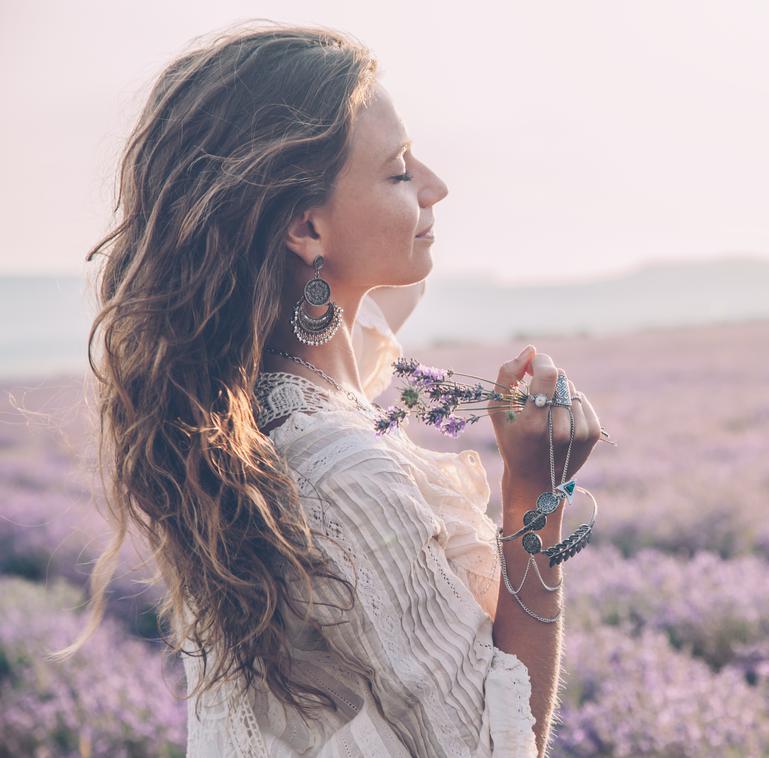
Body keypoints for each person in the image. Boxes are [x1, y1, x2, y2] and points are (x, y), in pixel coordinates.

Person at [61, 20, 602, 757]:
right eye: (401, 171)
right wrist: (534, 498)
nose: (438, 187)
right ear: (306, 226)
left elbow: (364, 319)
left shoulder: (251, 402)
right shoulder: (350, 476)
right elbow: (491, 746)